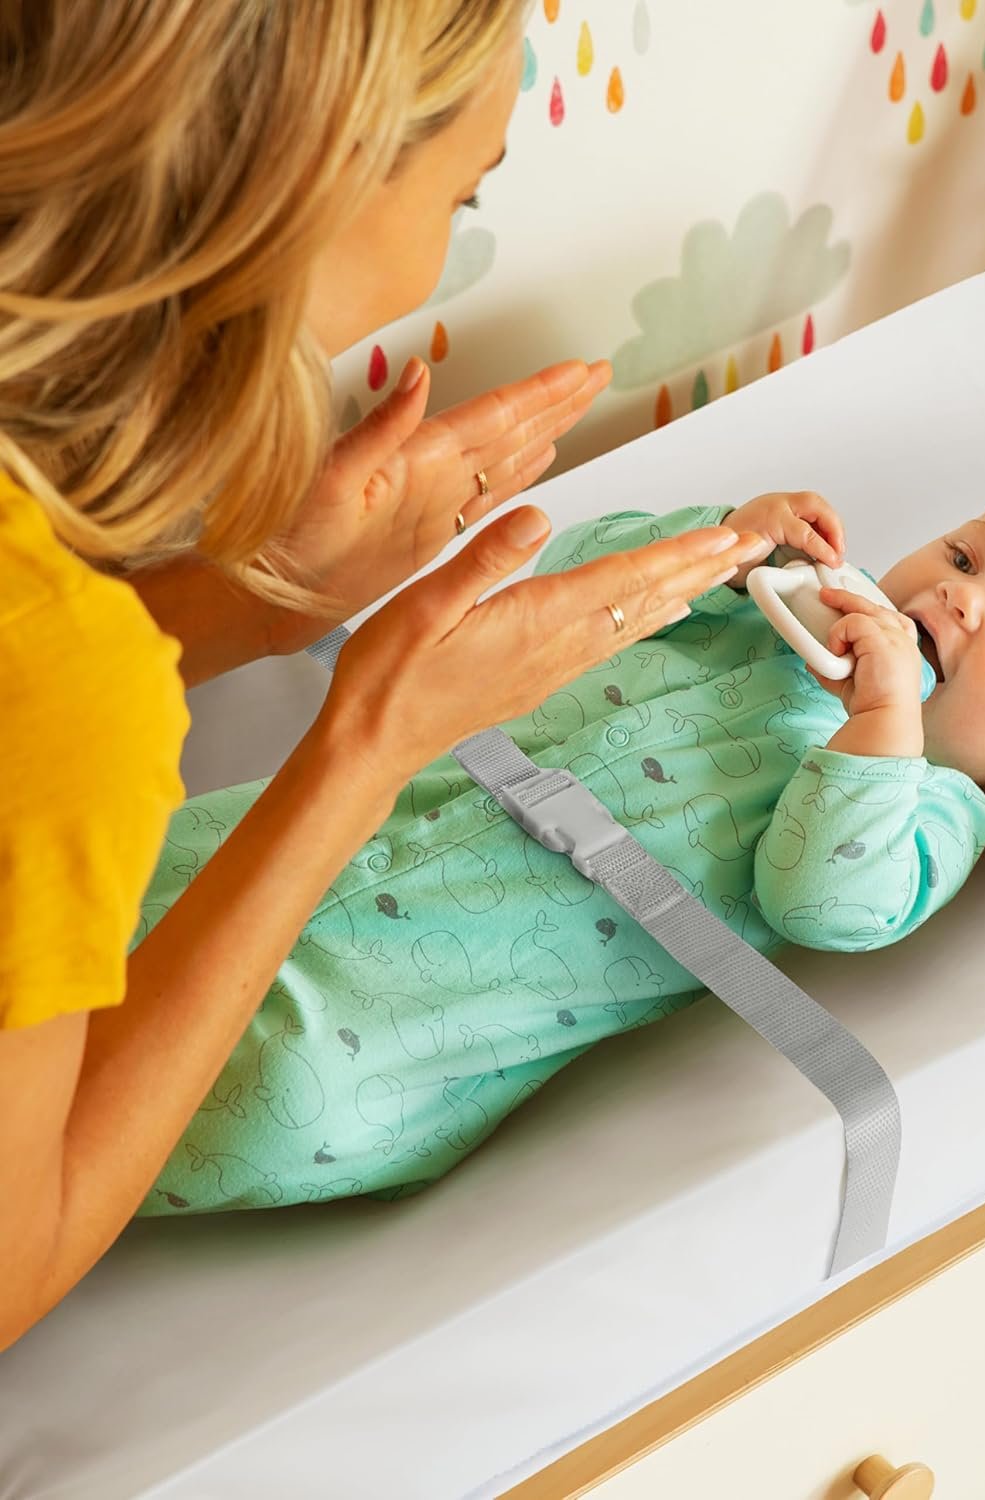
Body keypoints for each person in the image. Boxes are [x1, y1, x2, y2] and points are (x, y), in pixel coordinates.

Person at [0, 0, 765, 1349]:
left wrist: (241, 607)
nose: (444, 254)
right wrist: (369, 744)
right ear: (308, 183)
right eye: (465, 194)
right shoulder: (67, 691)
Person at [139, 484, 985, 1214]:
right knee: (125, 877)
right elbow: (577, 589)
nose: (959, 599)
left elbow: (822, 901)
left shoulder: (925, 809)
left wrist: (885, 716)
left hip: (382, 1031)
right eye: (964, 554)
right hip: (321, 829)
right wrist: (725, 546)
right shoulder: (777, 609)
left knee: (197, 1100)